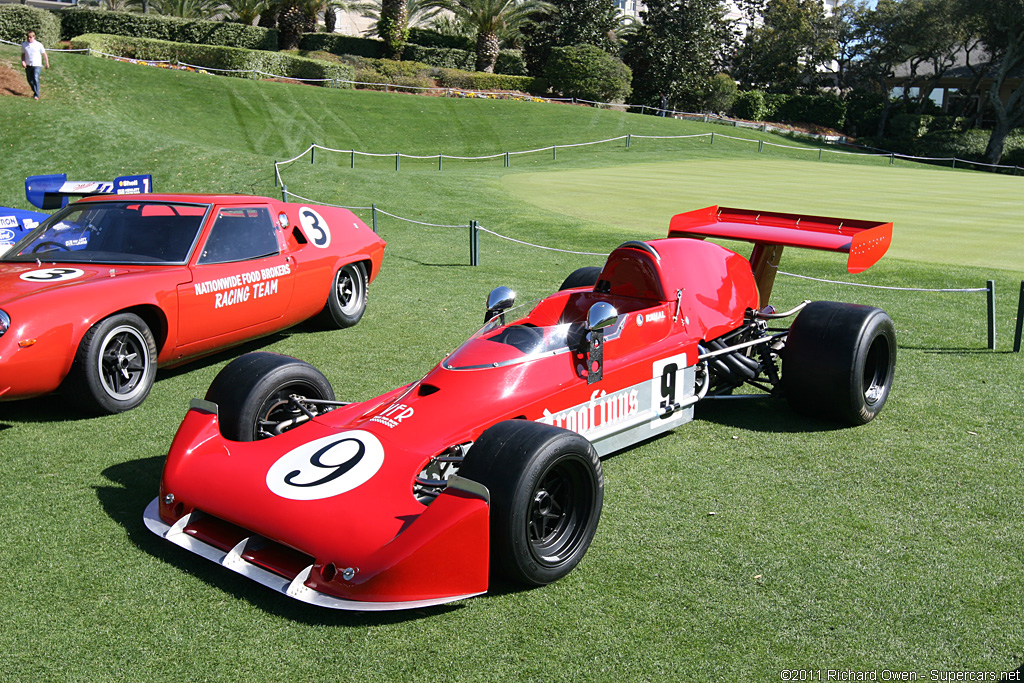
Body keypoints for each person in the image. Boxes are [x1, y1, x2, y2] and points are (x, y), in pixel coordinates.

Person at [21, 30, 49, 101]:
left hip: (37, 64)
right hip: (28, 65)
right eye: (28, 37)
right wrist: (23, 61)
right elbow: (23, 54)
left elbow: (44, 54)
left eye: (31, 37)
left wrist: (47, 63)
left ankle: (36, 94)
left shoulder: (38, 45)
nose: (29, 39)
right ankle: (35, 90)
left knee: (36, 78)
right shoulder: (24, 44)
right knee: (30, 80)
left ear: (34, 37)